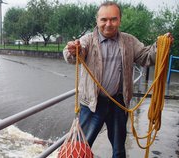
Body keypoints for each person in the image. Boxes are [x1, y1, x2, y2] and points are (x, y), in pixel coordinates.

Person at [63, 1, 174, 158]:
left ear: (120, 20)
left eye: (113, 19)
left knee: (119, 149)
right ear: (97, 20)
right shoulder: (87, 40)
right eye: (104, 20)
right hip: (92, 105)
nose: (108, 24)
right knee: (80, 149)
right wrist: (72, 50)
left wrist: (161, 46)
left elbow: (146, 57)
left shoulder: (129, 41)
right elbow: (72, 56)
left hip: (118, 103)